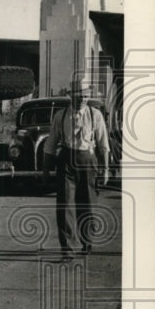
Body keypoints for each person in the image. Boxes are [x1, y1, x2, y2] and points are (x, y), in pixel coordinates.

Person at [42, 78, 110, 256]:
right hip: (66, 160)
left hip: (88, 160)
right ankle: (67, 248)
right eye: (78, 95)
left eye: (85, 96)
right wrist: (46, 170)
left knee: (87, 203)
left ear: (88, 96)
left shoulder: (95, 115)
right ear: (70, 95)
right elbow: (50, 145)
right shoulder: (61, 116)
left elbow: (103, 145)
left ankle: (86, 242)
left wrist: (106, 169)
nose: (81, 99)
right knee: (65, 205)